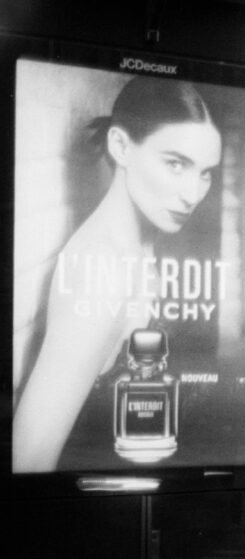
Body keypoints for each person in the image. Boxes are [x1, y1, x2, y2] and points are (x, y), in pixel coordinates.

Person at [12, 76, 223, 473]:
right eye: (175, 164)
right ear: (121, 146)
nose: (193, 194)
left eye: (205, 173)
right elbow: (29, 459)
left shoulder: (142, 241)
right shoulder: (102, 269)